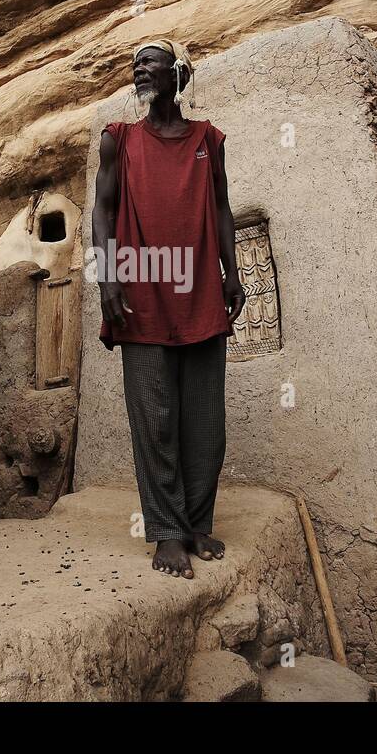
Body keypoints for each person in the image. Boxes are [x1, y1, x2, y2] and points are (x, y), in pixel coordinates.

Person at [90, 38, 245, 580]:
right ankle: (167, 531)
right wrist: (107, 278)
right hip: (140, 291)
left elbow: (223, 209)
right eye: (134, 64)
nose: (139, 70)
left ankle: (197, 522)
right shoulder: (119, 140)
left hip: (201, 287)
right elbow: (102, 212)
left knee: (206, 421)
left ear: (177, 73)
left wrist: (232, 271)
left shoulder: (209, 139)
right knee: (154, 420)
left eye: (150, 62)